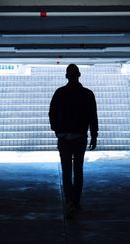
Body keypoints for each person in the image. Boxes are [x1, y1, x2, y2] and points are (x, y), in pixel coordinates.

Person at [49, 64, 98, 219]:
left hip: (64, 138)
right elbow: (92, 116)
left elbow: (52, 113)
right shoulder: (88, 94)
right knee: (78, 170)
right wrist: (94, 135)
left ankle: (69, 201)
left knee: (66, 171)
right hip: (80, 138)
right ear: (79, 75)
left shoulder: (60, 93)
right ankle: (76, 201)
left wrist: (57, 130)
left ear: (66, 76)